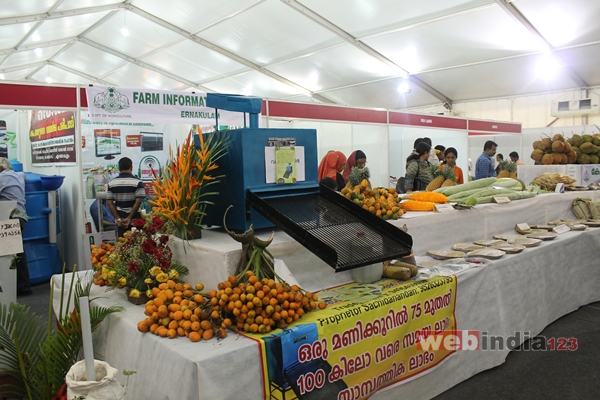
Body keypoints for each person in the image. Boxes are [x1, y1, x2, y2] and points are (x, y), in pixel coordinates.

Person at [0, 158, 31, 295]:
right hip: (22, 217)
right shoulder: (19, 175)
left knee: (11, 254)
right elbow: (25, 175)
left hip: (10, 218)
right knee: (18, 252)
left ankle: (18, 288)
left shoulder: (2, 178)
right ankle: (23, 286)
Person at [107, 157, 146, 237]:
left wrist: (118, 219)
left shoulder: (111, 183)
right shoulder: (138, 182)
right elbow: (138, 202)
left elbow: (110, 203)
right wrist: (129, 218)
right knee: (137, 245)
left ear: (119, 168)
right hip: (136, 221)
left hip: (120, 221)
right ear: (131, 167)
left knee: (122, 245)